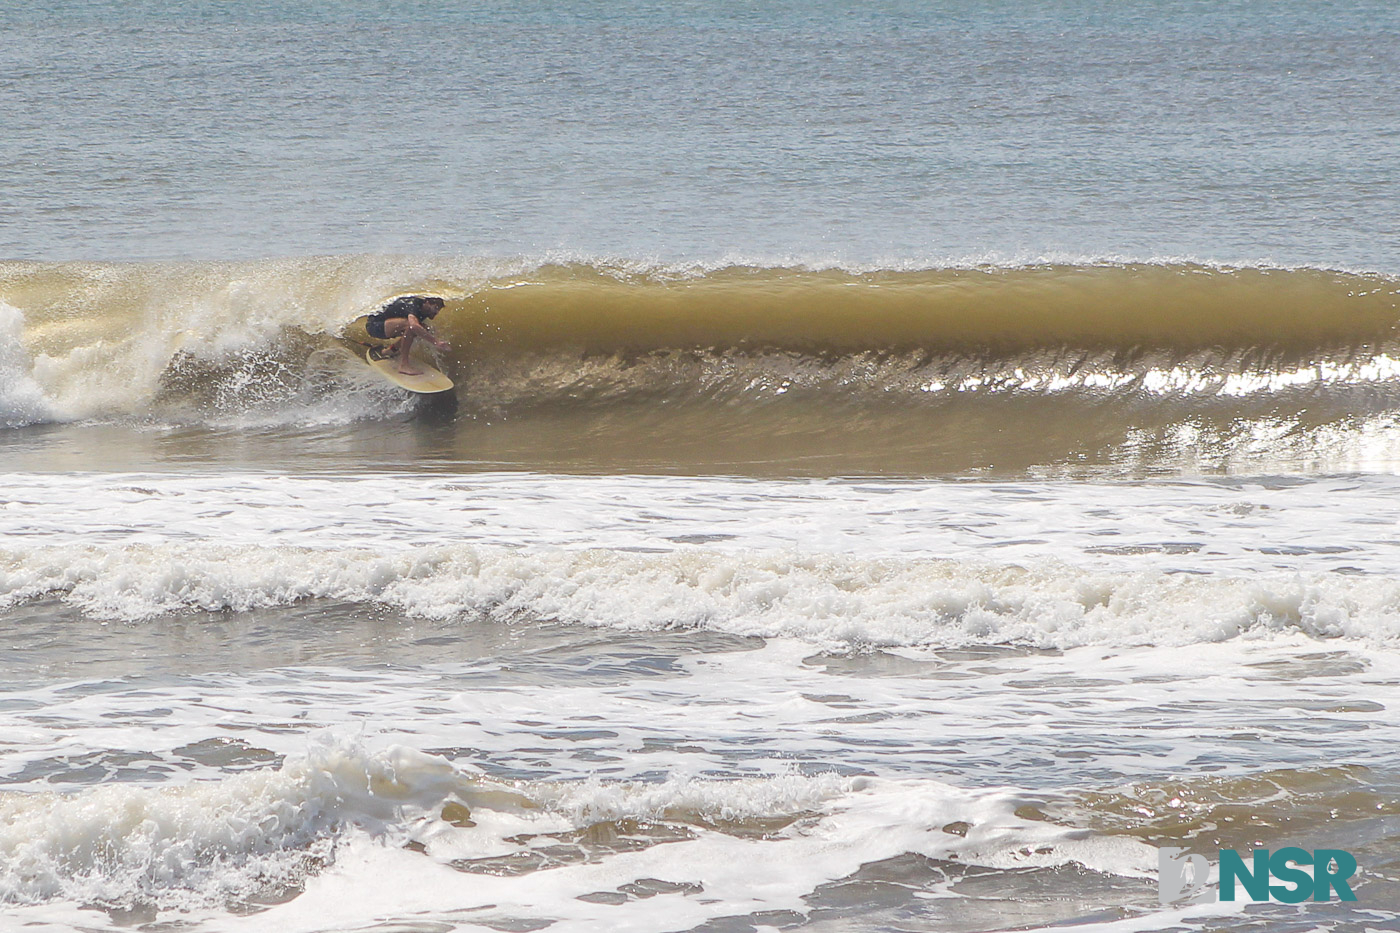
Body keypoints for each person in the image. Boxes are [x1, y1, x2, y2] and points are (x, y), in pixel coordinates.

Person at [365, 295, 449, 376]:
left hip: (386, 325)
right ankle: (404, 365)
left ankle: (389, 351)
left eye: (438, 310)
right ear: (427, 302)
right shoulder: (413, 305)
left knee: (422, 329)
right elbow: (413, 326)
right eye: (435, 308)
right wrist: (436, 342)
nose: (436, 312)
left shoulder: (424, 310)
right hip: (374, 326)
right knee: (412, 326)